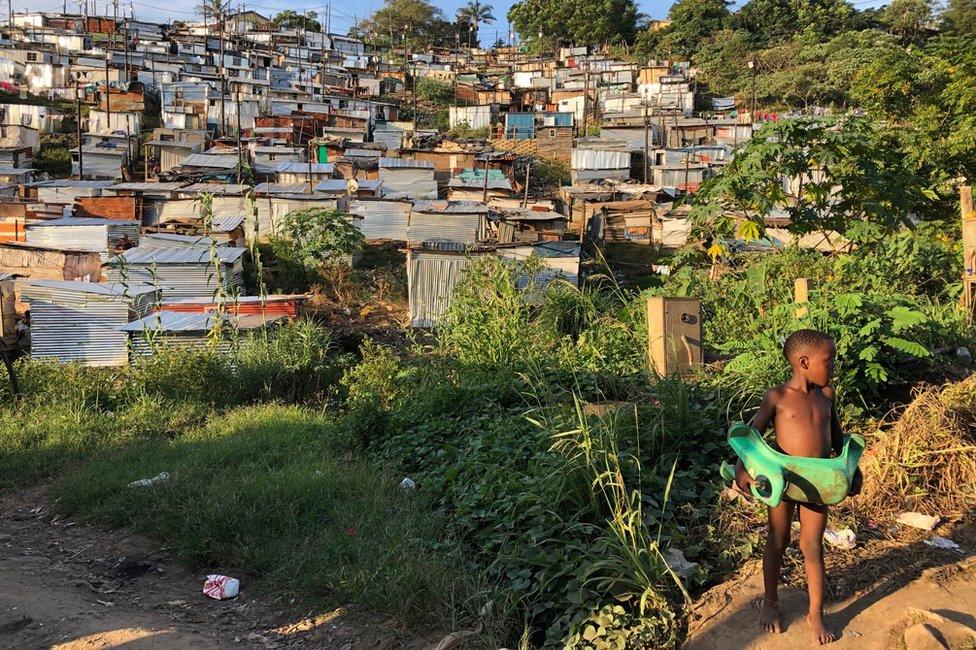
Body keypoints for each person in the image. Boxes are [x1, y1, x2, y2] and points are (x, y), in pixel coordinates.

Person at [734, 329, 852, 645]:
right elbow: (750, 436)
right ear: (804, 362)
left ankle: (816, 612)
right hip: (782, 481)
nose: (834, 368)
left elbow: (839, 441)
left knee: (812, 545)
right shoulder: (778, 398)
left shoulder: (827, 397)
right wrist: (741, 469)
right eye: (830, 361)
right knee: (778, 538)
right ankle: (771, 602)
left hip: (819, 483)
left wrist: (851, 472)